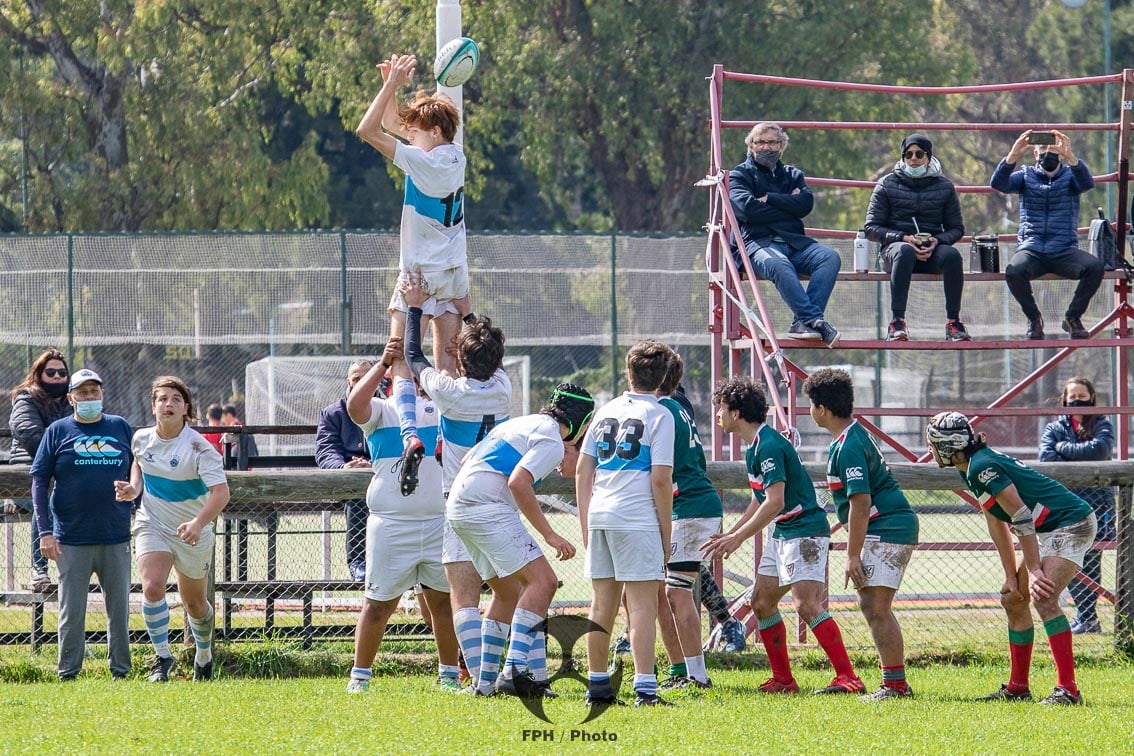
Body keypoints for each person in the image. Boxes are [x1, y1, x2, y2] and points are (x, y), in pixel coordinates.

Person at [702, 376, 864, 696]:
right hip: (784, 531)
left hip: (804, 529)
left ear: (736, 413)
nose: (717, 414)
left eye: (721, 408)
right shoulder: (755, 447)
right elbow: (760, 500)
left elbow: (775, 502)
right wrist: (732, 533)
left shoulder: (770, 445)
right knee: (761, 603)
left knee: (806, 606)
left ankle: (849, 677)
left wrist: (739, 539)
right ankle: (784, 681)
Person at [356, 52, 473, 498]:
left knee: (401, 358)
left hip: (418, 274)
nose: (411, 133)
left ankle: (410, 436)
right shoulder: (452, 157)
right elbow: (397, 125)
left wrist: (391, 88)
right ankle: (447, 443)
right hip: (455, 275)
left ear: (436, 132)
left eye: (418, 129)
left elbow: (369, 131)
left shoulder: (423, 163)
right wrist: (394, 85)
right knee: (446, 365)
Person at [399, 272, 521, 696]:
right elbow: (491, 360)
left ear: (460, 360)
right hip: (503, 499)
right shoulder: (505, 388)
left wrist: (414, 305)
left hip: (460, 499)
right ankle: (506, 671)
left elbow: (413, 355)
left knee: (464, 595)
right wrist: (467, 313)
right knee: (510, 590)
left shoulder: (449, 392)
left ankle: (480, 682)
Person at [926, 411, 1096, 705]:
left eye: (932, 444)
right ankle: (1018, 687)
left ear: (947, 447)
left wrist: (1034, 569)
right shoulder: (970, 466)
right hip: (1049, 528)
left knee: (1043, 598)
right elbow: (997, 522)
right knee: (1013, 599)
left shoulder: (980, 466)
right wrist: (1009, 576)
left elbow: (1020, 515)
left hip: (1070, 523)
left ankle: (1069, 690)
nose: (929, 451)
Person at [447, 383, 594, 698]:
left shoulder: (521, 423)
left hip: (459, 506)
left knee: (508, 592)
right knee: (544, 583)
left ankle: (484, 685)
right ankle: (515, 673)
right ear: (581, 422)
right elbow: (518, 483)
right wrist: (550, 534)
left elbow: (466, 461)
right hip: (486, 506)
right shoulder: (553, 440)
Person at [343, 340, 461, 694]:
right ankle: (360, 677)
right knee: (378, 605)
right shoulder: (381, 411)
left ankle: (449, 676)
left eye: (414, 370)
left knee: (441, 603)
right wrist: (383, 362)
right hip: (391, 525)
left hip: (439, 523)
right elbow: (354, 405)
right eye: (402, 371)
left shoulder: (441, 410)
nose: (409, 377)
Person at [802, 368, 919, 701]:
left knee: (877, 606)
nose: (809, 411)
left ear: (822, 409)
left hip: (888, 527)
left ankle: (895, 686)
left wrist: (852, 555)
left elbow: (861, 503)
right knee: (871, 604)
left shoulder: (850, 444)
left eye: (810, 404)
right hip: (886, 527)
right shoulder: (849, 437)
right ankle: (894, 684)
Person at [577, 340, 675, 708]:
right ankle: (646, 690)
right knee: (643, 606)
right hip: (636, 519)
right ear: (663, 378)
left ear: (628, 373)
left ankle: (598, 687)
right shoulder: (661, 415)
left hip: (601, 513)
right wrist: (666, 534)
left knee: (601, 604)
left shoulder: (606, 410)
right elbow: (661, 480)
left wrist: (587, 520)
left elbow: (583, 470)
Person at [116, 376, 230, 683]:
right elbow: (139, 464)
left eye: (176, 400)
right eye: (162, 399)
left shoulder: (199, 448)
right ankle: (162, 658)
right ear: (153, 406)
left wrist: (197, 523)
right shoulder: (140, 439)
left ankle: (203, 656)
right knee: (152, 586)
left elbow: (221, 494)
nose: (169, 404)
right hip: (152, 521)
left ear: (186, 409)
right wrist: (133, 489)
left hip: (193, 531)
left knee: (194, 603)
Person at [30, 368, 133, 680]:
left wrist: (134, 493)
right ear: (71, 398)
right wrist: (45, 533)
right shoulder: (58, 431)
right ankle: (68, 672)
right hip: (70, 538)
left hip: (115, 534)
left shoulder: (120, 427)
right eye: (82, 393)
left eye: (94, 392)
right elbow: (39, 481)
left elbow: (139, 470)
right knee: (71, 612)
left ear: (101, 395)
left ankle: (121, 671)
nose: (89, 397)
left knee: (119, 610)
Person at [729, 122, 842, 347]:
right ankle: (813, 320)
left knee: (830, 257)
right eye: (759, 142)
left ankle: (803, 322)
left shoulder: (793, 174)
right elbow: (747, 210)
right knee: (779, 264)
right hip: (758, 244)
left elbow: (805, 205)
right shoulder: (739, 175)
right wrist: (788, 205)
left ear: (782, 146)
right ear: (750, 146)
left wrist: (769, 198)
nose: (766, 147)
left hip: (795, 243)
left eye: (772, 142)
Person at [990, 129, 1103, 340]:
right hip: (1032, 250)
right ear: (1035, 154)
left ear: (1061, 154)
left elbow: (1087, 184)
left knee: (1095, 267)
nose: (1048, 153)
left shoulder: (1071, 176)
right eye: (1043, 148)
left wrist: (1071, 158)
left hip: (1064, 250)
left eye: (1053, 149)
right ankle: (1034, 319)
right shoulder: (1025, 175)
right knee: (1014, 271)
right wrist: (1012, 157)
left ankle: (1073, 317)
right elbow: (998, 184)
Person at [654, 353, 720, 691]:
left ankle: (696, 675)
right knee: (670, 592)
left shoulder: (662, 410)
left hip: (689, 506)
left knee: (677, 592)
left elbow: (661, 473)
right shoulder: (677, 405)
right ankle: (683, 671)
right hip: (693, 505)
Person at [864, 133, 970, 342]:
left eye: (919, 154)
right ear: (902, 157)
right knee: (904, 252)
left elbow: (956, 228)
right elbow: (871, 228)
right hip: (896, 251)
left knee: (952, 256)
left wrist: (937, 241)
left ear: (928, 158)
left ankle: (953, 323)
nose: (913, 158)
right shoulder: (886, 184)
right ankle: (897, 322)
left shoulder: (945, 186)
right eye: (908, 154)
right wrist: (903, 237)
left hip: (931, 250)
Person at [1038, 376, 1114, 635]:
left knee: (1092, 561)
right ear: (1065, 400)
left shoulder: (1103, 424)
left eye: (1083, 397)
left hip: (1098, 506)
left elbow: (1100, 451)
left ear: (1092, 398)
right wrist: (1072, 449)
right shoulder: (1054, 428)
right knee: (1067, 561)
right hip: (1064, 508)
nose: (1077, 402)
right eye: (1073, 397)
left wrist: (1063, 449)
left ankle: (1088, 617)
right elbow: (1046, 458)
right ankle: (1084, 616)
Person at [8, 348, 73, 587]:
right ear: (39, 374)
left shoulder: (73, 400)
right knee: (44, 500)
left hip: (66, 478)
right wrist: (67, 448)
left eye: (62, 373)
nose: (57, 377)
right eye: (51, 372)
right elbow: (31, 435)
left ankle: (78, 568)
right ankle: (40, 570)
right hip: (27, 479)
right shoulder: (26, 399)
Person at [316, 360, 374, 582]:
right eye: (356, 378)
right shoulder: (332, 413)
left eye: (366, 377)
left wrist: (375, 465)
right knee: (358, 493)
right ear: (348, 382)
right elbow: (326, 450)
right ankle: (358, 562)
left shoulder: (390, 408)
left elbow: (397, 446)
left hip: (382, 474)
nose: (361, 382)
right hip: (347, 481)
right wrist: (343, 467)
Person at [221, 403, 258, 468]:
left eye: (223, 417)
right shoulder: (240, 424)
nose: (223, 420)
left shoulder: (233, 426)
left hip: (239, 461)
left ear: (229, 415)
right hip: (246, 460)